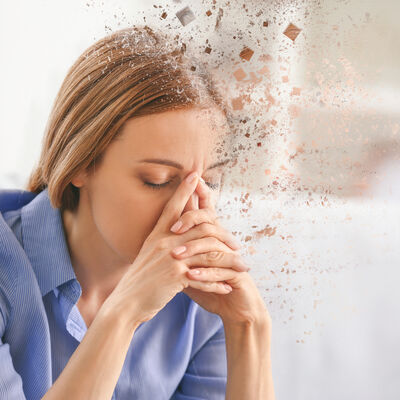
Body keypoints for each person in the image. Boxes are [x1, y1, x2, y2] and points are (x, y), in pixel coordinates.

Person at [0, 26, 275, 399]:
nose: (190, 209)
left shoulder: (203, 302)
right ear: (80, 163)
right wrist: (125, 311)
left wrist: (247, 327)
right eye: (157, 180)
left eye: (208, 182)